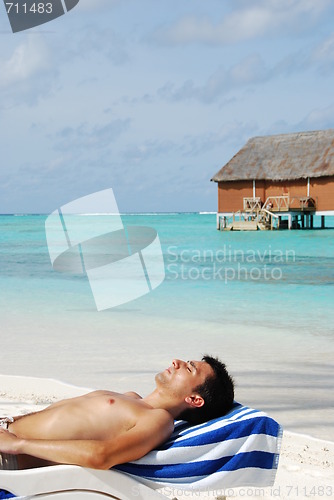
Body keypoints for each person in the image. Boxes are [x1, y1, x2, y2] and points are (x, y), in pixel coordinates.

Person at [0, 355, 234, 471]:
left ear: (194, 399)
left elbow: (102, 456)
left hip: (8, 459)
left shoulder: (158, 420)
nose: (176, 361)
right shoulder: (131, 397)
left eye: (189, 368)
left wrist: (18, 445)